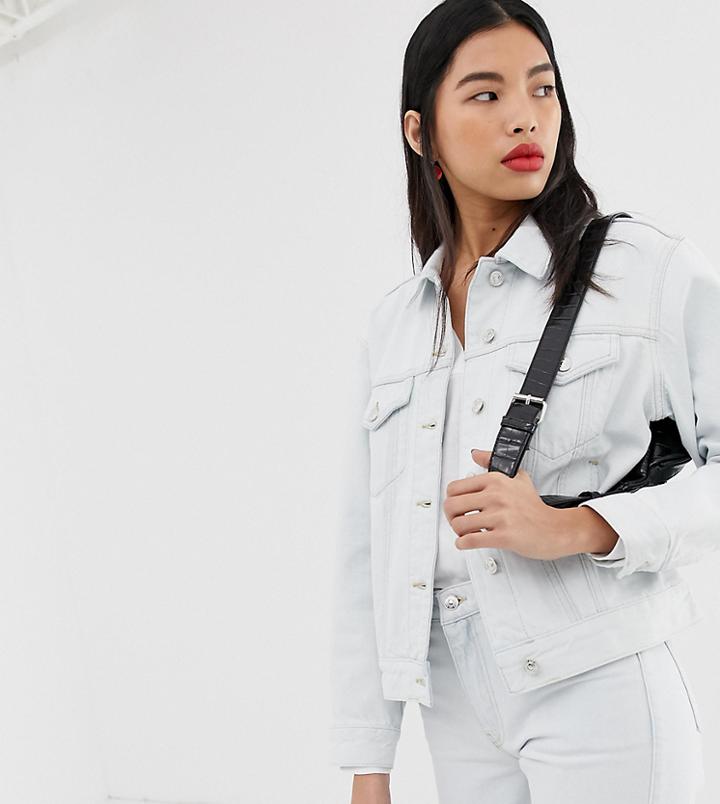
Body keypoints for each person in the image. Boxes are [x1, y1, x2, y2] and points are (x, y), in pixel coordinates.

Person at [329, 1, 713, 802]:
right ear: (420, 132)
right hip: (454, 707)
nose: (525, 117)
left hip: (596, 681)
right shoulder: (395, 327)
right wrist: (370, 762)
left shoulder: (639, 271)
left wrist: (581, 526)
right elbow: (368, 553)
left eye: (542, 89)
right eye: (487, 93)